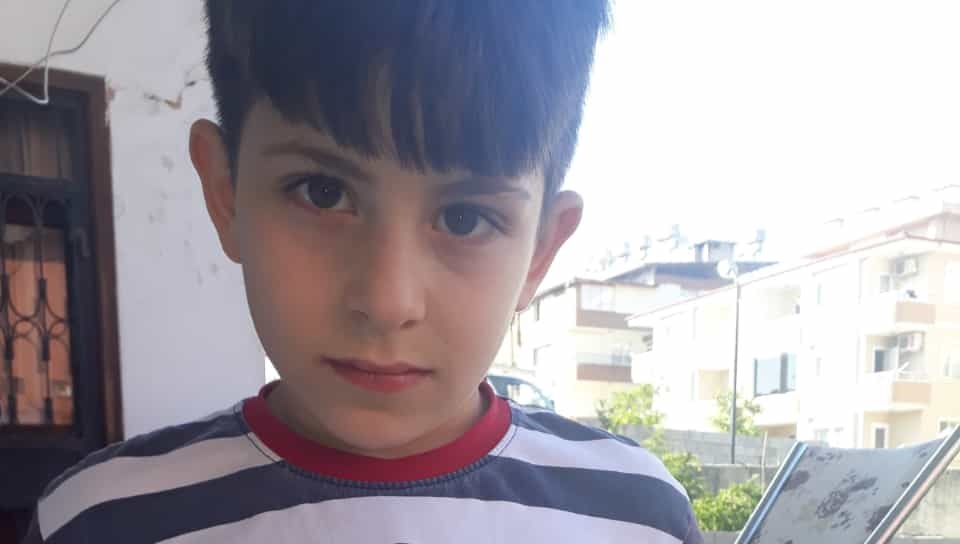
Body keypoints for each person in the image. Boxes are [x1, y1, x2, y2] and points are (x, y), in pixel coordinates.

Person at [25, 1, 703, 542]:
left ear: (541, 252)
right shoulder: (99, 522)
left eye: (465, 218)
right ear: (226, 193)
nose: (387, 301)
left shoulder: (638, 518)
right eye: (322, 193)